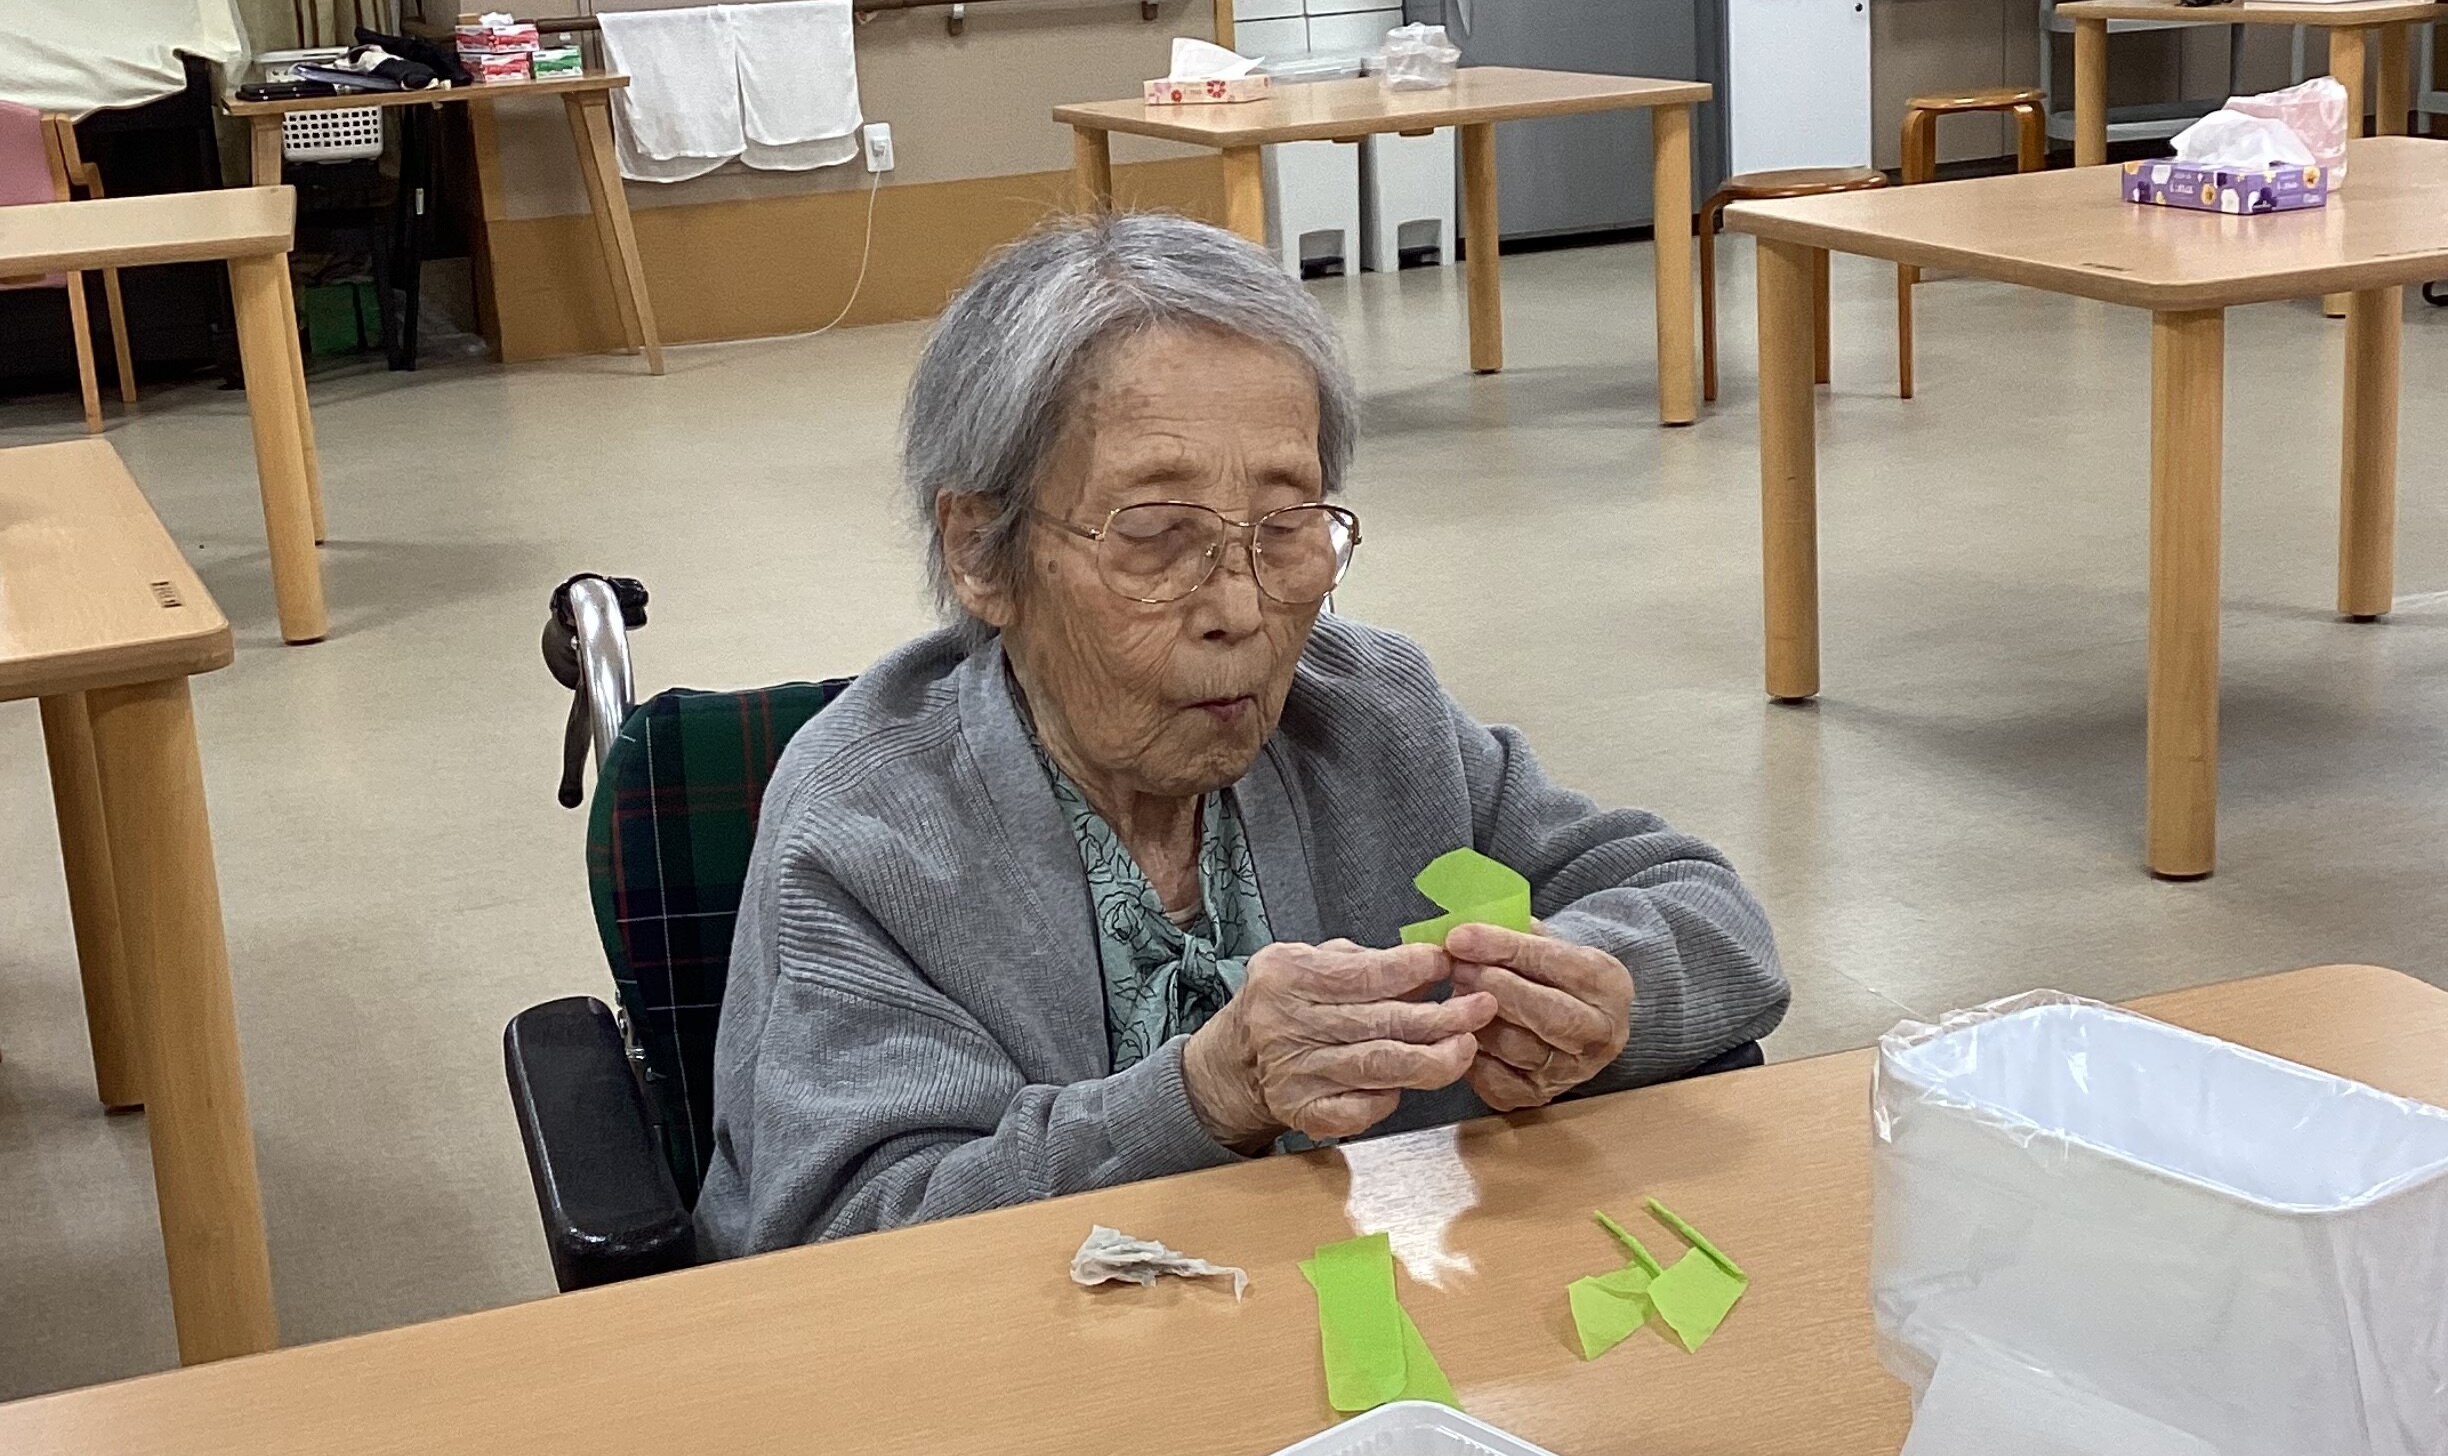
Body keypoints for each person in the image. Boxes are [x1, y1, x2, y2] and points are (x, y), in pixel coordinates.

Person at [696, 214, 1786, 1256]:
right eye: (1156, 534)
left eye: (1286, 524)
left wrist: (1604, 988)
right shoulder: (870, 828)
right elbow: (847, 1244)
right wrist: (1203, 1096)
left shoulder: (1367, 711)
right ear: (983, 552)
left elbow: (1712, 920)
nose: (1241, 608)